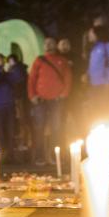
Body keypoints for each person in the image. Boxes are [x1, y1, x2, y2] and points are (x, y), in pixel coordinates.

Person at [28, 37, 72, 166]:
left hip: (56, 100)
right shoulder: (39, 60)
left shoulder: (62, 60)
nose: (48, 45)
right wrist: (32, 96)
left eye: (51, 43)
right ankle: (39, 157)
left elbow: (68, 78)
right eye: (46, 43)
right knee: (39, 128)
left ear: (55, 45)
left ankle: (54, 156)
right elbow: (31, 79)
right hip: (40, 100)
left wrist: (63, 94)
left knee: (56, 128)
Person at [86, 25, 109, 129]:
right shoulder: (94, 48)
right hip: (94, 85)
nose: (89, 35)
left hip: (105, 84)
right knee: (95, 111)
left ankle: (108, 132)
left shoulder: (108, 45)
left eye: (91, 33)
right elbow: (93, 64)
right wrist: (87, 74)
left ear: (97, 34)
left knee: (106, 110)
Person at [7, 54, 29, 161]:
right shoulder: (22, 69)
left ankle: (22, 144)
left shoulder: (16, 70)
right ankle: (22, 143)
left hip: (19, 98)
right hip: (22, 98)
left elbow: (16, 83)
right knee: (22, 121)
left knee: (21, 121)